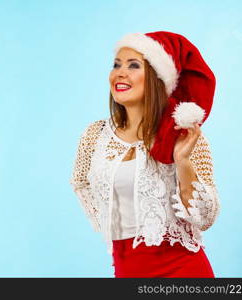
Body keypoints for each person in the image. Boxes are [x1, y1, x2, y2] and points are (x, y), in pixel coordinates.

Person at [69, 31, 220, 278]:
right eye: (116, 64)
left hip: (184, 271)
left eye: (133, 65)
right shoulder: (95, 135)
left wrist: (182, 161)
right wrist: (108, 223)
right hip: (127, 271)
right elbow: (80, 181)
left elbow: (205, 217)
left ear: (157, 78)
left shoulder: (183, 135)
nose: (120, 72)